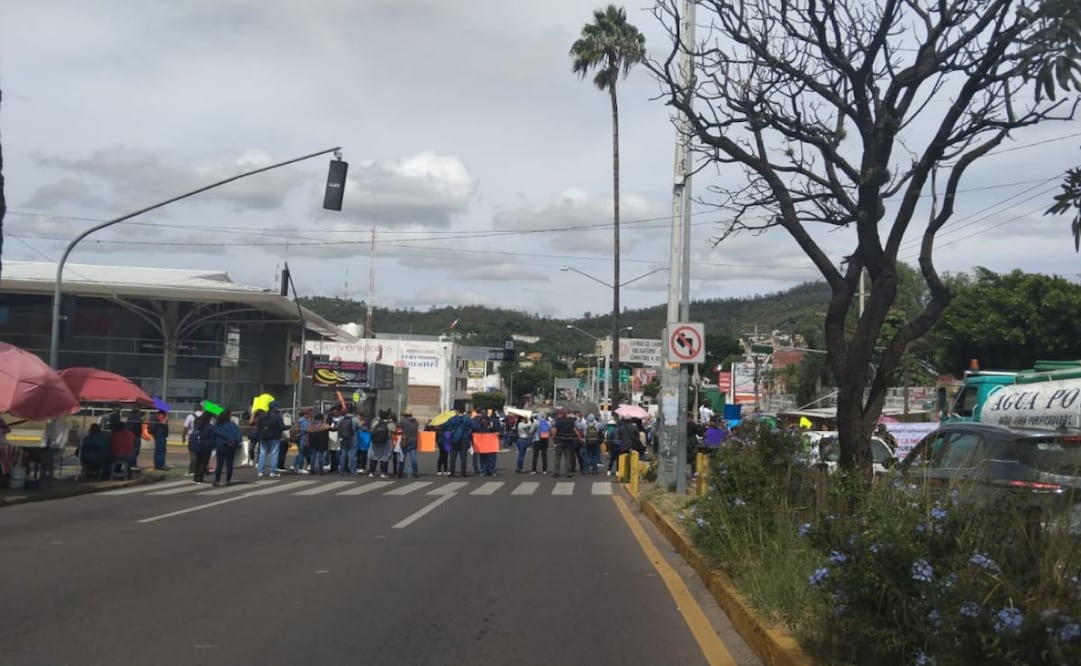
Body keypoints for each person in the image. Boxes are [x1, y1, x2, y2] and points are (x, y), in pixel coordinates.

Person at [255, 402, 286, 479]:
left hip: (263, 437)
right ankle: (272, 471)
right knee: (274, 454)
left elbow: (258, 425)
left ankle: (260, 471)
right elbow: (282, 427)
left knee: (262, 453)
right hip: (275, 437)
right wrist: (289, 427)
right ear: (275, 407)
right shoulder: (277, 416)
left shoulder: (262, 416)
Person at [212, 410, 242, 486]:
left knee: (219, 464)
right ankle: (228, 480)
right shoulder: (232, 425)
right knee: (229, 464)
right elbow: (238, 435)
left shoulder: (217, 425)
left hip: (220, 446)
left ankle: (217, 480)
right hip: (230, 446)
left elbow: (213, 435)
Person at [444, 408, 474, 478]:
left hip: (454, 439)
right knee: (463, 457)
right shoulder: (467, 419)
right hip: (464, 439)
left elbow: (445, 425)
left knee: (453, 457)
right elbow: (474, 426)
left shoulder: (453, 419)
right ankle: (463, 472)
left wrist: (451, 429)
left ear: (457, 411)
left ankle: (452, 473)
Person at [552, 409, 580, 478]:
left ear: (561, 414)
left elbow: (554, 431)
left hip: (560, 440)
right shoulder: (570, 421)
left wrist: (554, 439)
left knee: (558, 457)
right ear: (566, 414)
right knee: (568, 457)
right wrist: (579, 438)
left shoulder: (558, 421)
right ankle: (568, 473)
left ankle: (556, 472)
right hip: (568, 441)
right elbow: (575, 430)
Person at [189, 413, 215, 484]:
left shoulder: (198, 425)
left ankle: (195, 477)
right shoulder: (210, 427)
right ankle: (200, 478)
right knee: (204, 463)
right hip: (207, 446)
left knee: (198, 461)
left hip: (197, 445)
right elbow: (213, 437)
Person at [368, 410, 394, 478]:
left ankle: (371, 472)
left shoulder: (376, 422)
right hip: (385, 442)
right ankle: (383, 473)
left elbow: (371, 427)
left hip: (375, 442)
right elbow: (394, 430)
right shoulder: (389, 423)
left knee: (374, 457)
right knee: (384, 458)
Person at [182, 403, 204, 476]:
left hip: (193, 437)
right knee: (201, 454)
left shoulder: (190, 416)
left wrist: (183, 437)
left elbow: (185, 427)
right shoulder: (205, 416)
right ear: (201, 409)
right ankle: (201, 470)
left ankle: (192, 471)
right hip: (203, 437)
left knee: (193, 454)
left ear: (194, 409)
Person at [337, 405, 358, 476]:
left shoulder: (341, 419)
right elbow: (359, 427)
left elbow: (337, 427)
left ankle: (342, 470)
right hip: (353, 438)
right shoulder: (355, 419)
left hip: (343, 438)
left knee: (343, 454)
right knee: (353, 455)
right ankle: (353, 471)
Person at [399, 412, 419, 478]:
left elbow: (397, 426)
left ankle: (400, 472)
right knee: (413, 458)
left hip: (405, 440)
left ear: (405, 416)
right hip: (414, 440)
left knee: (402, 457)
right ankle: (415, 472)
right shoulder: (415, 422)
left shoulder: (403, 421)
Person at [293, 407, 312, 473]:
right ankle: (300, 467)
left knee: (301, 453)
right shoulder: (305, 421)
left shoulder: (300, 420)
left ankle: (296, 466)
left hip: (301, 437)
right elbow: (306, 430)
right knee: (302, 453)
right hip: (304, 437)